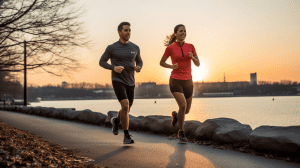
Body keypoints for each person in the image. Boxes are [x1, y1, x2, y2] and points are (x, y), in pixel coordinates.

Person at [99, 22, 143, 144]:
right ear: (119, 32)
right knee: (125, 106)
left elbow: (140, 61)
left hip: (131, 81)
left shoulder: (135, 47)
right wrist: (113, 67)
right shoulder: (112, 47)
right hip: (118, 80)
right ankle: (126, 136)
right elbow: (102, 61)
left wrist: (139, 67)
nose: (128, 32)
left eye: (129, 30)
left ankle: (116, 121)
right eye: (125, 30)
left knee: (127, 109)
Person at [160, 24, 200, 143]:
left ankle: (176, 116)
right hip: (175, 80)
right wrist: (172, 66)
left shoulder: (191, 46)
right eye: (181, 31)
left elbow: (198, 64)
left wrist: (193, 58)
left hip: (188, 81)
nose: (183, 33)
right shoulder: (170, 48)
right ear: (176, 33)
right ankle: (181, 132)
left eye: (185, 31)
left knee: (186, 110)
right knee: (182, 105)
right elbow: (161, 62)